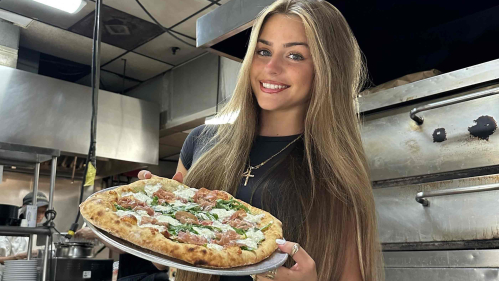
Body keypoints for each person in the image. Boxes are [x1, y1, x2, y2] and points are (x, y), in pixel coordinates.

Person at [138, 0, 384, 280]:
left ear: (328, 70)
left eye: (295, 56)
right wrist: (151, 212)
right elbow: (165, 260)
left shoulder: (335, 173)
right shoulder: (201, 141)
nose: (271, 67)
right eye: (263, 51)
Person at [0, 192, 48, 267]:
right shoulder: (11, 229)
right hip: (10, 274)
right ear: (24, 208)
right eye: (36, 211)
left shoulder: (43, 231)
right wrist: (16, 257)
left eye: (43, 212)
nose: (40, 216)